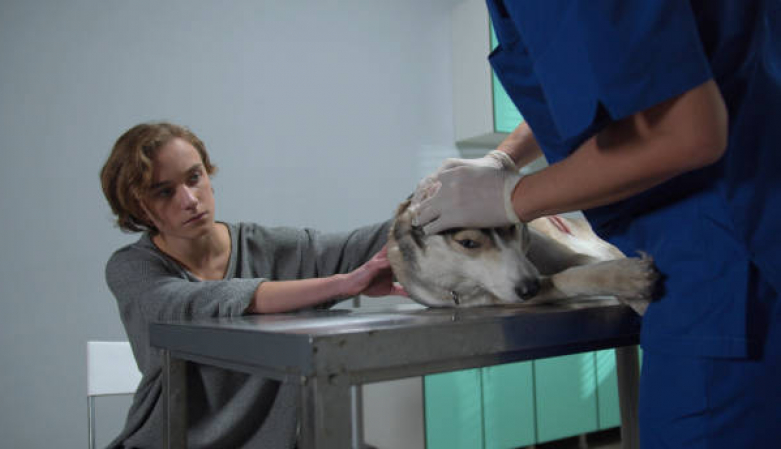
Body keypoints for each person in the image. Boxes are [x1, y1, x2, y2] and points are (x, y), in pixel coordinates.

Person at [413, 1, 780, 447]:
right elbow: (622, 80)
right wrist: (503, 158)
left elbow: (686, 131)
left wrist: (513, 198)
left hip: (729, 270)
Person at [100, 122, 406, 448]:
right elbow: (197, 303)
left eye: (194, 177)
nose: (189, 199)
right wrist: (341, 285)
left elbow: (358, 246)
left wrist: (434, 200)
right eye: (164, 192)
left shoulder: (267, 247)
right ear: (138, 208)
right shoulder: (131, 268)